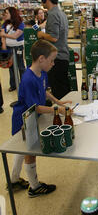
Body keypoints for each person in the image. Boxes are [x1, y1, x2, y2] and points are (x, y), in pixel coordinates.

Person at [9, 39, 72, 197]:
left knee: (22, 149)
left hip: (32, 117)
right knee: (29, 151)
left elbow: (44, 91)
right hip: (24, 119)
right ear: (41, 59)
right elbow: (35, 107)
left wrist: (57, 101)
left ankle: (14, 179)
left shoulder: (42, 72)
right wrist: (57, 110)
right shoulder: (28, 79)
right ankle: (35, 187)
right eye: (51, 60)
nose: (53, 64)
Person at [37, 0, 70, 99]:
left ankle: (62, 113)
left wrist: (41, 35)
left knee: (58, 90)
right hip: (63, 55)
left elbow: (54, 37)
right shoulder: (61, 14)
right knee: (64, 88)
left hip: (56, 58)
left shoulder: (52, 15)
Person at [0, 7, 26, 92]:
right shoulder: (5, 24)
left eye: (7, 13)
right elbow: (2, 34)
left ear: (12, 13)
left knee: (20, 66)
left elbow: (15, 36)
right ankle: (13, 85)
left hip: (18, 47)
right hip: (8, 47)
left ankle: (24, 84)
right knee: (10, 67)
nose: (5, 15)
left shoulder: (20, 23)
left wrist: (4, 35)